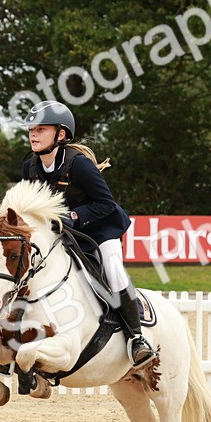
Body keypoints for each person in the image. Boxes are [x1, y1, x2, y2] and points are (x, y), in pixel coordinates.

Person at [20, 100, 156, 369]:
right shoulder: (30, 167)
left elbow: (106, 203)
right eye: (31, 129)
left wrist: (73, 216)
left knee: (114, 269)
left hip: (100, 229)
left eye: (41, 129)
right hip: (63, 233)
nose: (33, 134)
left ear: (61, 134)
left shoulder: (79, 164)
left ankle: (137, 338)